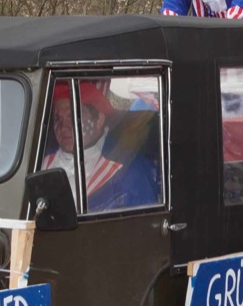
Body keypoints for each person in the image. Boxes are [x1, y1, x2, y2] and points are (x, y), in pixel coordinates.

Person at [40, 80, 163, 213]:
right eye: (57, 119)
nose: (63, 127)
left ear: (99, 120)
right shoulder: (39, 162)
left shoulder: (129, 169)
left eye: (74, 117)